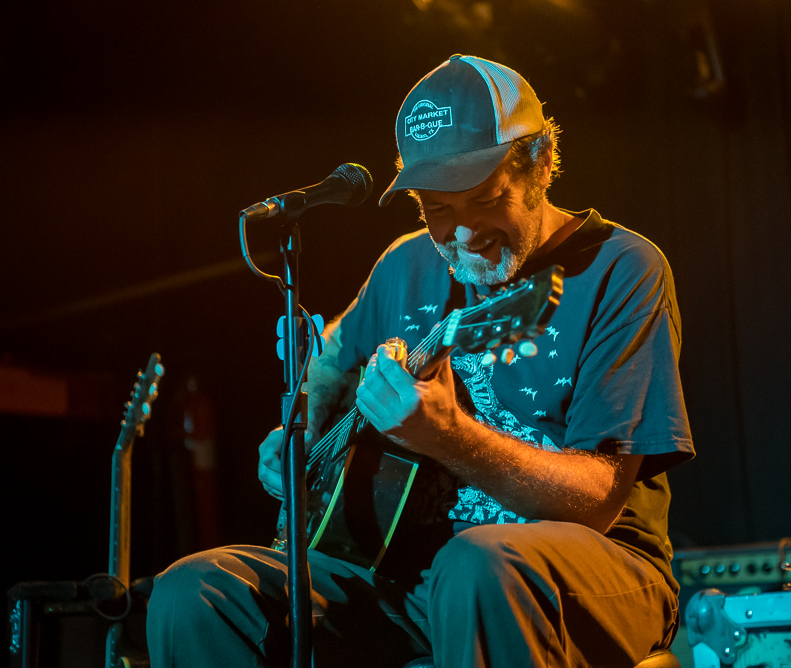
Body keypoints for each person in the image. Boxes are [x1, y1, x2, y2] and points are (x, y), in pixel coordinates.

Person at [146, 54, 695, 667]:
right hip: (406, 578)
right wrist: (300, 431)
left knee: (479, 563)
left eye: (485, 200)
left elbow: (598, 499)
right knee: (196, 591)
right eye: (437, 210)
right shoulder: (404, 265)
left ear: (539, 163)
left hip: (591, 569)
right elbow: (330, 354)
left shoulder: (621, 269)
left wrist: (450, 438)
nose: (463, 235)